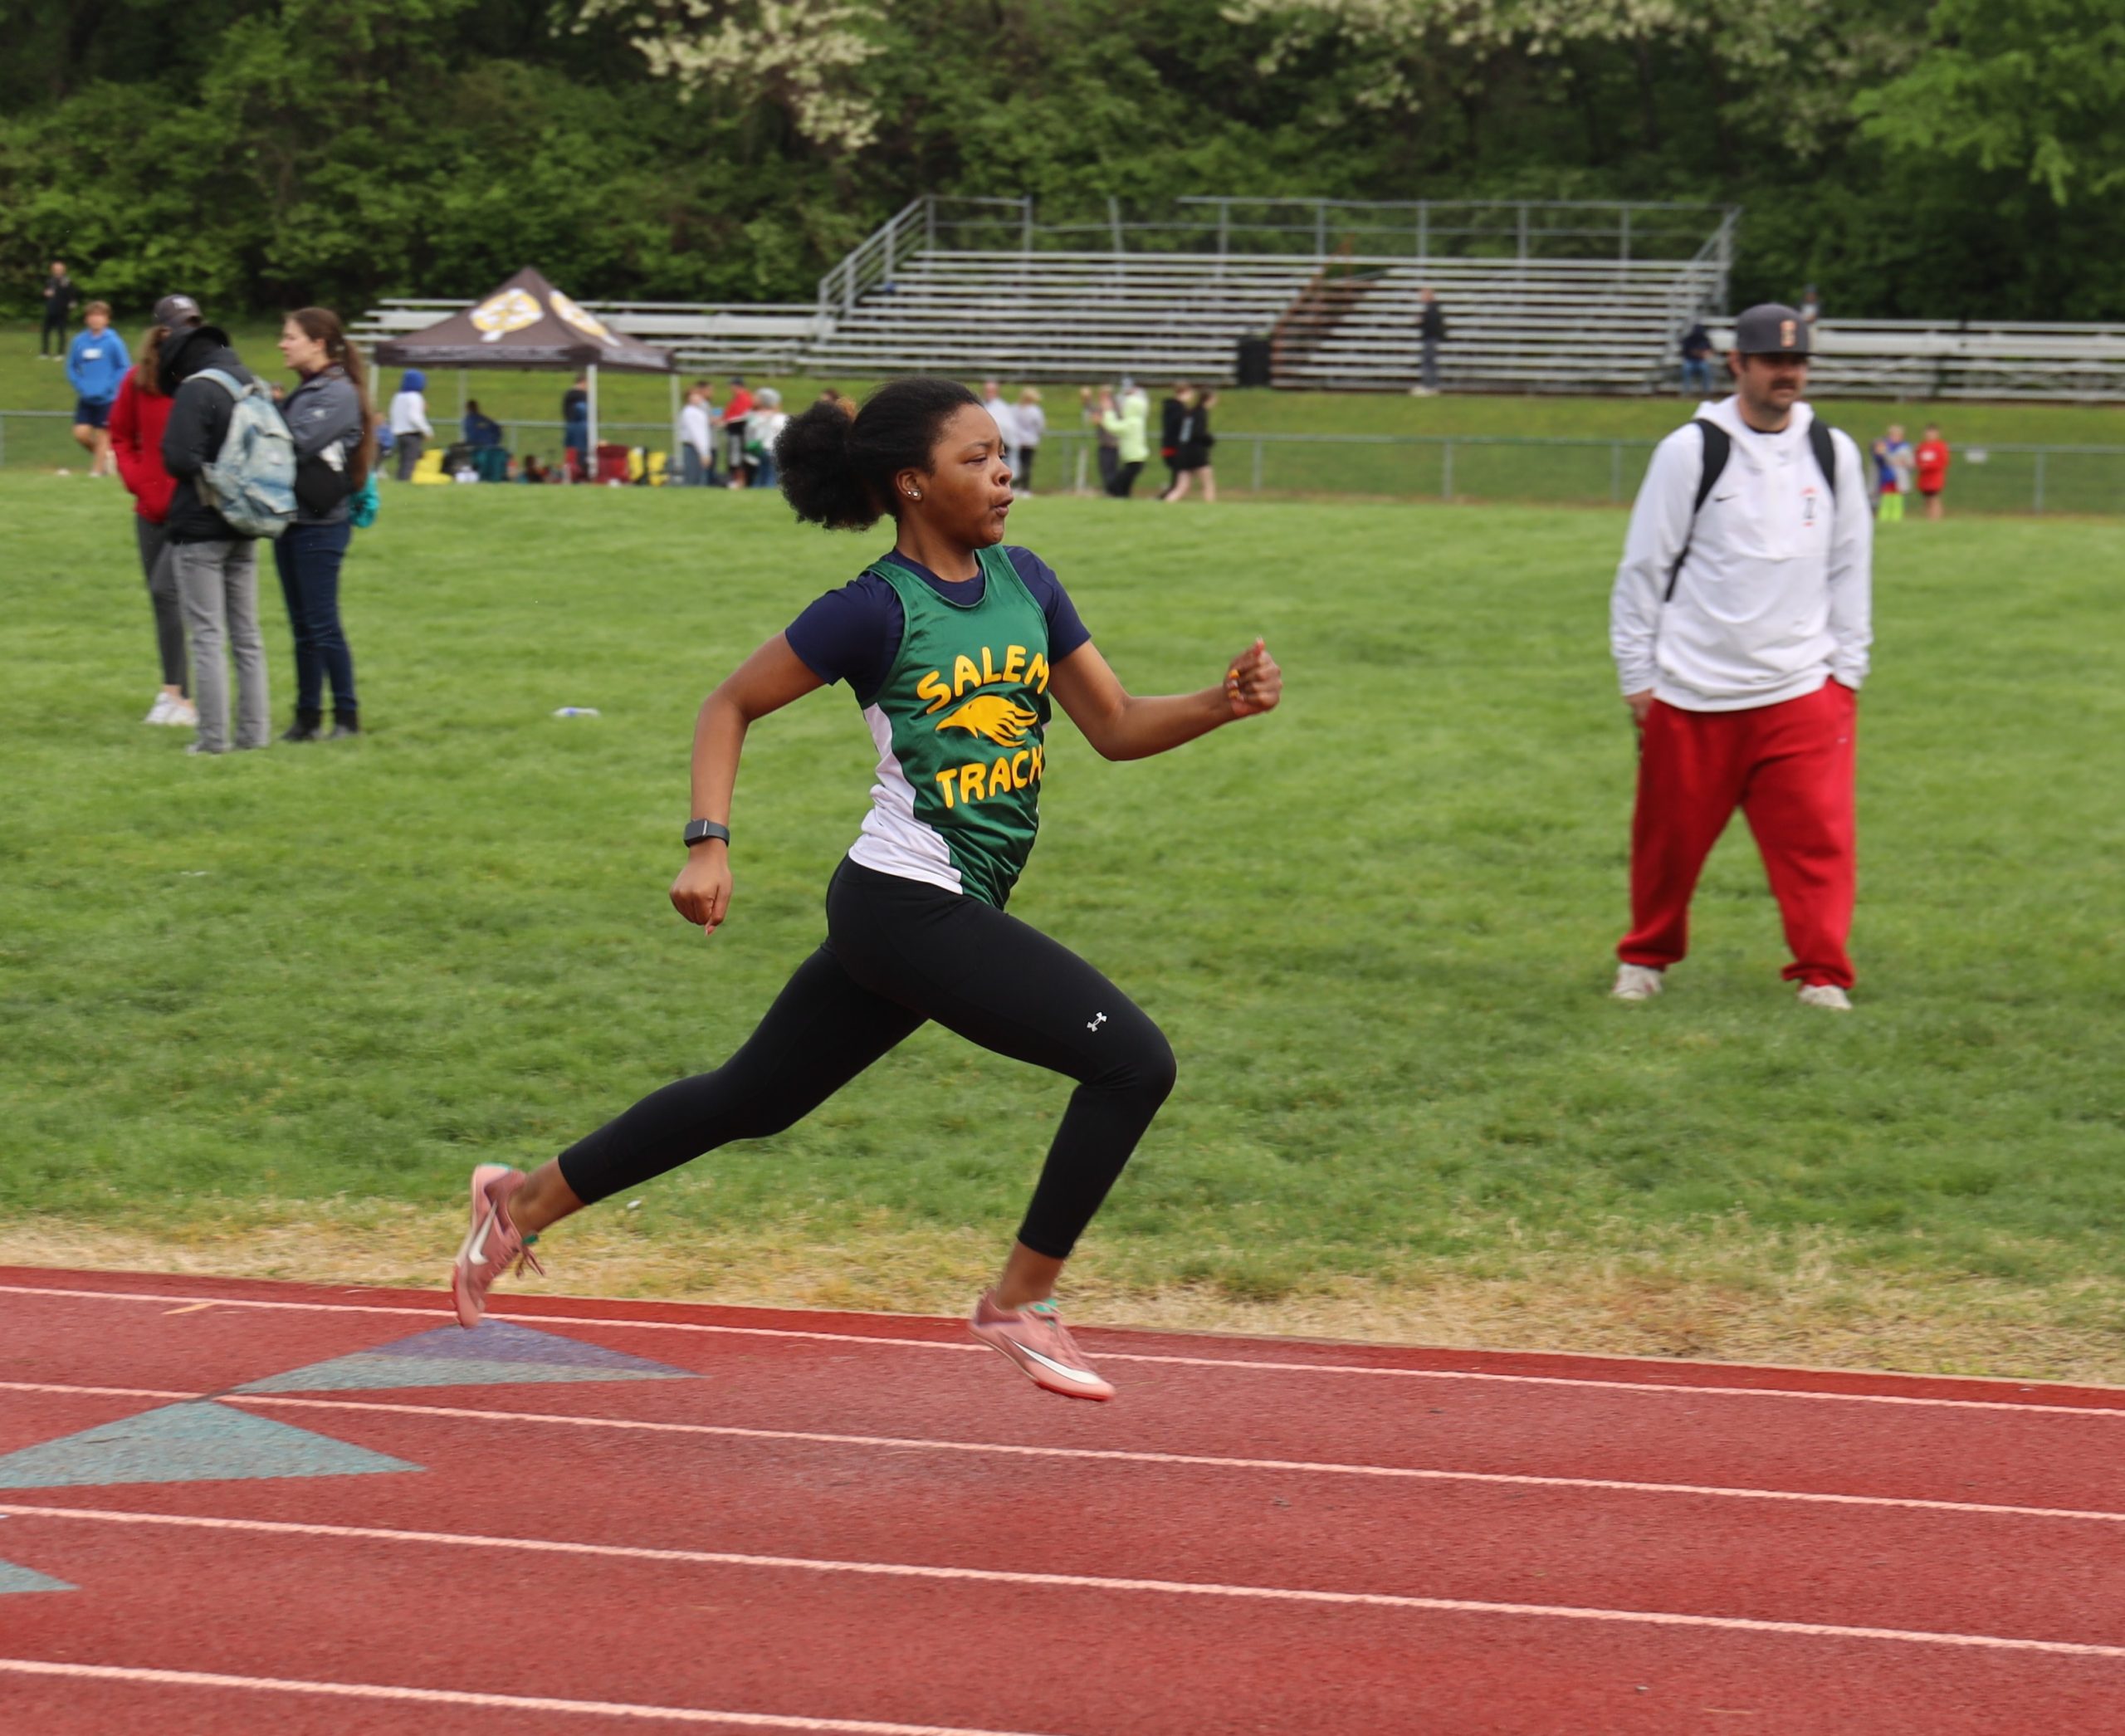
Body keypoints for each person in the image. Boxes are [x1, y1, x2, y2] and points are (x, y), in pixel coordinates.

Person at [448, 377, 1283, 1402]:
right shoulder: (870, 610)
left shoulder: (1028, 581)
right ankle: (1020, 1301)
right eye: (974, 459)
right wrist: (706, 843)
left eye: (999, 454)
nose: (1002, 473)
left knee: (751, 1099)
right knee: (1132, 1063)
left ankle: (519, 1201)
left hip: (931, 907)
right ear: (912, 484)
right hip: (903, 901)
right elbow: (729, 703)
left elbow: (1112, 727)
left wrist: (1219, 703)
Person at [1609, 302, 1873, 1010]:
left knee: (1817, 844)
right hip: (1693, 690)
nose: (1786, 374)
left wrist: (1846, 673)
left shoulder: (1833, 451)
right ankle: (1645, 958)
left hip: (1802, 690)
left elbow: (1851, 566)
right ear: (1739, 365)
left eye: (1796, 362)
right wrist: (1639, 677)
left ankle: (1822, 973)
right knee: (1667, 845)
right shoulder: (1693, 450)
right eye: (1771, 361)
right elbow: (1643, 569)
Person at [160, 314, 272, 755]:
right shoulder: (255, 385)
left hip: (201, 529)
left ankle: (212, 740)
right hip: (247, 524)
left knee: (207, 635)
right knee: (247, 634)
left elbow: (177, 458)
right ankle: (254, 734)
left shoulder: (197, 389)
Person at [273, 307, 372, 742]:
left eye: (290, 336)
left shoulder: (337, 393)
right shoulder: (309, 390)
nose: (282, 343)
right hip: (293, 520)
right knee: (302, 625)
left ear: (317, 343)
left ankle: (347, 718)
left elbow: (294, 442)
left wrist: (267, 417)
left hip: (320, 524)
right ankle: (308, 717)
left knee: (321, 622)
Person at [109, 315, 194, 729]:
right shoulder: (136, 380)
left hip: (189, 510)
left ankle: (176, 695)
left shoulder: (200, 379)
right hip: (148, 510)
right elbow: (120, 435)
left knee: (168, 592)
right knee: (164, 603)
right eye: (174, 325)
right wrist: (138, 480)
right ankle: (178, 695)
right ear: (158, 331)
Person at [66, 301, 129, 477]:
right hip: (86, 397)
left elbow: (123, 367)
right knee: (81, 434)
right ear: (87, 319)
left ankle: (96, 472)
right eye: (92, 316)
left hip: (108, 398)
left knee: (103, 436)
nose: (96, 320)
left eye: (100, 316)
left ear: (107, 319)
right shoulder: (79, 341)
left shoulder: (113, 342)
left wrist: (109, 386)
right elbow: (71, 366)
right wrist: (79, 384)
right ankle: (106, 458)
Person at [1164, 386, 1218, 504]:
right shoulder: (1201, 413)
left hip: (1185, 453)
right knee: (1208, 483)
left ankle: (1167, 504)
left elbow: (1185, 435)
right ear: (1209, 399)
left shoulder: (1190, 413)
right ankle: (1210, 507)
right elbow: (1198, 433)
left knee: (1182, 486)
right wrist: (1209, 440)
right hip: (1197, 454)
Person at [1097, 382, 1149, 497]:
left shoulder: (1131, 423)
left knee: (1120, 479)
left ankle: (1114, 490)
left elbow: (1113, 427)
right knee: (1127, 479)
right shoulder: (1138, 422)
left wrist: (1108, 411)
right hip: (1136, 458)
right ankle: (1124, 494)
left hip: (1134, 458)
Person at [388, 369, 432, 482]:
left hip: (399, 433)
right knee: (409, 461)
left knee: (402, 460)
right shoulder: (415, 397)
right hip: (412, 434)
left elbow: (394, 412)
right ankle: (405, 480)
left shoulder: (398, 397)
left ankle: (399, 480)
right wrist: (427, 431)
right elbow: (415, 417)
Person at [979, 379, 1023, 479]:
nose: (988, 393)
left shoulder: (1002, 407)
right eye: (987, 391)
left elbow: (1008, 426)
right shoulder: (980, 405)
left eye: (991, 391)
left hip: (1001, 444)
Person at [746, 388, 788, 488]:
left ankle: (757, 488)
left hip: (764, 448)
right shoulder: (781, 418)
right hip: (774, 450)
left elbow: (754, 430)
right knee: (771, 475)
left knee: (762, 473)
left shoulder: (760, 417)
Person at [1082, 384, 1120, 493]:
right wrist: (1087, 399)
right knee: (1105, 469)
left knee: (1110, 470)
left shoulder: (1114, 408)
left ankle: (1112, 491)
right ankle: (1109, 490)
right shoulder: (1103, 407)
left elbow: (1098, 418)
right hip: (1104, 443)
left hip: (1112, 444)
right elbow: (1092, 412)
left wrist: (1099, 419)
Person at [678, 382, 715, 487]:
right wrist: (704, 453)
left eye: (698, 396)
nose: (697, 398)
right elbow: (697, 434)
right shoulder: (691, 412)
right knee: (693, 478)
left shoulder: (699, 412)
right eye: (694, 396)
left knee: (698, 477)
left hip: (698, 447)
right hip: (693, 447)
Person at [1156, 383, 1190, 497]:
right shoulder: (1179, 410)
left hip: (1168, 446)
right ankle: (1165, 498)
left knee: (1177, 479)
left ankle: (1166, 497)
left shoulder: (1170, 408)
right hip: (1175, 447)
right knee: (1178, 481)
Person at [721, 377, 755, 488]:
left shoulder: (744, 398)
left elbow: (742, 416)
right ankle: (736, 480)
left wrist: (727, 421)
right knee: (735, 457)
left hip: (738, 432)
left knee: (738, 457)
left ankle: (740, 481)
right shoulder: (737, 398)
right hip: (733, 430)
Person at [40, 261, 77, 359]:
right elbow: (45, 293)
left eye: (59, 269)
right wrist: (46, 294)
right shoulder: (49, 281)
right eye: (56, 269)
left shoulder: (67, 281)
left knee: (61, 332)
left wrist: (72, 302)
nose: (57, 271)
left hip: (62, 310)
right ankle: (45, 353)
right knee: (46, 331)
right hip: (50, 309)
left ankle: (61, 353)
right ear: (52, 270)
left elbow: (72, 294)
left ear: (63, 270)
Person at [1414, 286, 1447, 394]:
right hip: (1431, 338)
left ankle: (1428, 386)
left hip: (1430, 338)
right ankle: (1432, 386)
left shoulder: (1432, 309)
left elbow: (1432, 324)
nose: (1421, 298)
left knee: (1428, 363)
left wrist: (1421, 322)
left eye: (1423, 295)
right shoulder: (1433, 308)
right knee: (1430, 363)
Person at [1914, 423, 1950, 521]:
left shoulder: (1940, 446)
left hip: (1935, 477)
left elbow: (1943, 462)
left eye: (1932, 433)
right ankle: (1928, 517)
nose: (1930, 435)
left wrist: (1928, 466)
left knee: (1934, 498)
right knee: (1926, 499)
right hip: (1924, 478)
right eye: (1928, 433)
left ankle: (1936, 518)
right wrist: (1920, 465)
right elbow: (1917, 459)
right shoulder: (1922, 446)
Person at [1014, 386, 1045, 494]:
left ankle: (1016, 486)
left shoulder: (1016, 409)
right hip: (1030, 441)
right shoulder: (1035, 411)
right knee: (1026, 465)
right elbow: (1040, 426)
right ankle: (1025, 488)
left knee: (1017, 464)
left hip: (1017, 440)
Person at [561, 374, 590, 481]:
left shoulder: (571, 395)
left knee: (575, 452)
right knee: (577, 453)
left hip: (576, 428)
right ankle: (576, 474)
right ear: (582, 383)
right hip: (578, 429)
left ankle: (576, 474)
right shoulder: (577, 395)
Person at [1870, 434, 1901, 521]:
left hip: (1893, 478)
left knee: (1896, 497)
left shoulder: (1889, 453)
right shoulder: (1878, 457)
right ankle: (1884, 515)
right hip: (1883, 479)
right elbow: (1880, 459)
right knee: (1885, 497)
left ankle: (1896, 516)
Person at [1679, 320, 1714, 394]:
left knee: (1706, 369)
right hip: (1690, 361)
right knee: (1686, 368)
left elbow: (1710, 350)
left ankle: (1706, 391)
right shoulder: (1689, 339)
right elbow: (1687, 352)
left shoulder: (1705, 339)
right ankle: (1687, 391)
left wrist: (1707, 353)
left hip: (1701, 361)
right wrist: (1699, 353)